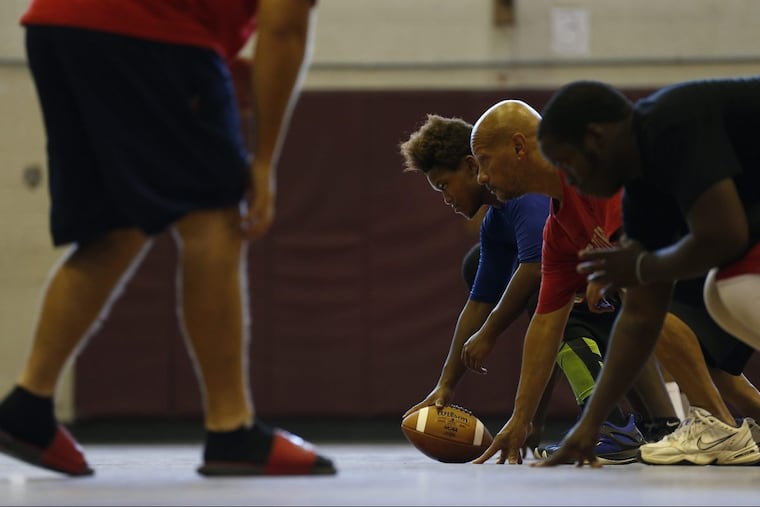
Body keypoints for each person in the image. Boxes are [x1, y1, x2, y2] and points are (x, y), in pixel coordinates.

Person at [0, 0, 336, 477]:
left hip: (57, 23)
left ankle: (28, 406)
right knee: (214, 215)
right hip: (155, 31)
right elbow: (283, 29)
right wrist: (263, 161)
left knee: (116, 224)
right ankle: (231, 429)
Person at [467, 98, 760, 466]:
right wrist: (521, 419)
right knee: (716, 368)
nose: (480, 177)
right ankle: (730, 428)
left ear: (518, 146)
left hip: (734, 243)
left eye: (483, 160)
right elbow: (545, 325)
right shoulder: (558, 232)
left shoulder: (597, 174)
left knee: (641, 298)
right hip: (712, 268)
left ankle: (716, 426)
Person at [398, 114, 678, 464]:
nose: (446, 199)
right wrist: (447, 384)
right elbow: (481, 304)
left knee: (545, 289)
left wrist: (490, 332)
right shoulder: (497, 221)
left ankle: (616, 422)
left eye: (444, 185)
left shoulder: (527, 196)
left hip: (656, 268)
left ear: (472, 166)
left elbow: (536, 276)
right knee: (505, 279)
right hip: (620, 290)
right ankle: (654, 423)